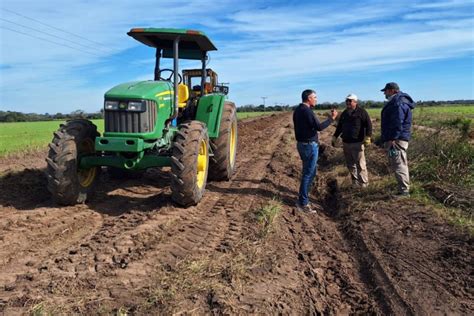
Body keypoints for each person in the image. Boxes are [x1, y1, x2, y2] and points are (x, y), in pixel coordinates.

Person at [293, 89, 338, 212]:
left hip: (302, 144)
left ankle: (304, 198)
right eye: (315, 97)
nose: (316, 99)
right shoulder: (307, 111)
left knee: (310, 173)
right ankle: (303, 203)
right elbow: (319, 127)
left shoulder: (298, 110)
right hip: (309, 146)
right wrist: (331, 119)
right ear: (309, 98)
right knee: (308, 174)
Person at [380, 82, 415, 197]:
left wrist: (392, 138)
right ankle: (402, 189)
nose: (384, 93)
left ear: (392, 90)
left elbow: (397, 122)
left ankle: (404, 191)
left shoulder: (397, 103)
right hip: (397, 138)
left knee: (399, 164)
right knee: (398, 164)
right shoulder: (398, 101)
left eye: (386, 91)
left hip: (397, 139)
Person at [332, 93, 372, 188]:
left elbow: (369, 125)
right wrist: (335, 136)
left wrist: (368, 136)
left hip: (357, 143)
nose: (348, 102)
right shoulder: (344, 113)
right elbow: (340, 127)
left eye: (350, 101)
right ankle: (355, 182)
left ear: (355, 102)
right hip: (346, 142)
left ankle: (363, 184)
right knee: (350, 164)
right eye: (347, 101)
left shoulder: (362, 112)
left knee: (360, 165)